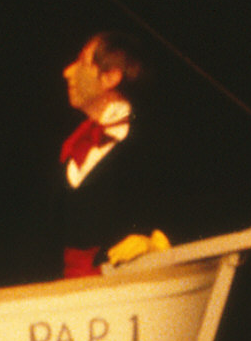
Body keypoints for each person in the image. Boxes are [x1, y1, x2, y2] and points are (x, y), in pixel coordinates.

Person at [57, 31, 170, 277]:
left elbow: (181, 211)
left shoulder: (152, 141)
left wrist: (156, 242)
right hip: (68, 291)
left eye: (82, 62)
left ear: (110, 77)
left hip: (128, 287)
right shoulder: (73, 145)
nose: (68, 71)